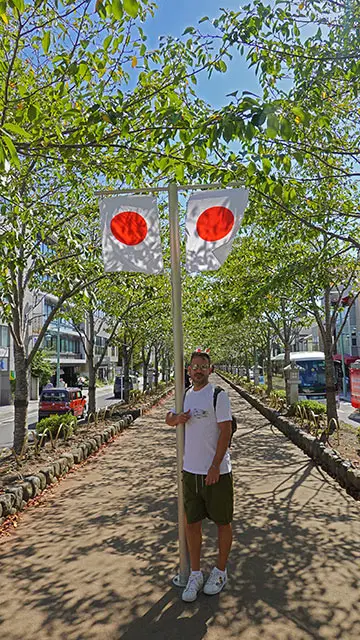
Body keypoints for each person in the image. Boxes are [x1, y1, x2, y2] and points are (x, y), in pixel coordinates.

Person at [166, 351, 233, 602]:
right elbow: (168, 418)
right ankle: (195, 573)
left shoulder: (218, 396)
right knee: (191, 524)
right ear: (188, 370)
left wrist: (215, 466)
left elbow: (225, 431)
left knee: (222, 523)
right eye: (194, 366)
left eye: (203, 367)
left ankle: (220, 571)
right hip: (190, 471)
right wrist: (176, 419)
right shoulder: (184, 395)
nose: (198, 370)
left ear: (210, 370)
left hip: (217, 473)